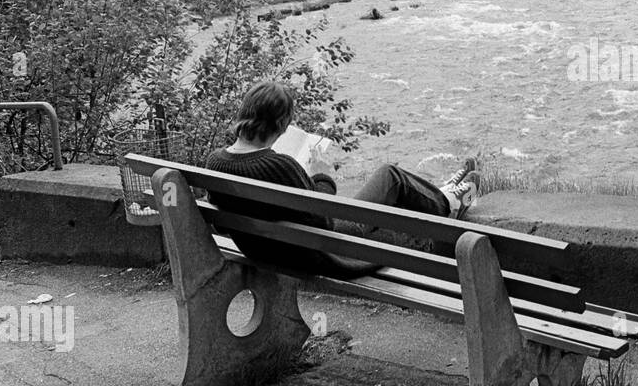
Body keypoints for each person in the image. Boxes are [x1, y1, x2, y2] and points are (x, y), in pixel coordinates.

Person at [204, 80, 477, 274]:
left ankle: (444, 193)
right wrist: (319, 174)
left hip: (268, 252)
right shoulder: (279, 165)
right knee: (389, 175)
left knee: (387, 179)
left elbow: (224, 226)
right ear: (281, 125)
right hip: (322, 254)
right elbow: (323, 221)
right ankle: (447, 204)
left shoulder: (215, 162)